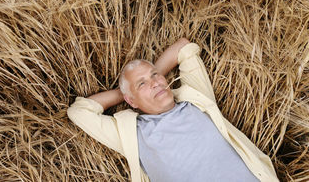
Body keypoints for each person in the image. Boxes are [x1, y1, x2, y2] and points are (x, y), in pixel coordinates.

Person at [67, 38, 279, 182]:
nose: (155, 83)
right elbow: (79, 112)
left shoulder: (195, 95)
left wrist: (148, 81)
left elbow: (184, 48)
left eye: (155, 75)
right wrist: (123, 94)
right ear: (131, 101)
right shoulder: (131, 133)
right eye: (142, 84)